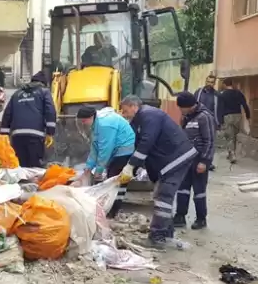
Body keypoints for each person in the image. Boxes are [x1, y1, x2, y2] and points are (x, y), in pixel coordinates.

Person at [118, 95, 197, 249]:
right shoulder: (141, 119)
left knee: (163, 196)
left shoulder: (149, 115)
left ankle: (158, 237)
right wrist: (138, 167)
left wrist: (131, 165)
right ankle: (166, 234)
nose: (124, 114)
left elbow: (147, 142)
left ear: (134, 106)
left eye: (125, 110)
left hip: (176, 158)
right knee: (161, 195)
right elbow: (141, 146)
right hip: (172, 159)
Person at [76, 106, 136, 218]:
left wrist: (99, 170)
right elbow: (95, 148)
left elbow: (105, 149)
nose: (83, 123)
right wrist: (88, 166)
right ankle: (108, 207)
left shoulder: (105, 124)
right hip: (115, 150)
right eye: (81, 121)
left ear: (91, 117)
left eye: (84, 120)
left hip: (124, 149)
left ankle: (113, 210)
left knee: (115, 180)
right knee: (112, 178)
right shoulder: (95, 124)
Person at [173, 92, 216, 230]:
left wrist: (204, 161)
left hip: (199, 160)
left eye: (181, 107)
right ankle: (180, 216)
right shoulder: (186, 117)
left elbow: (209, 141)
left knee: (199, 191)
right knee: (182, 189)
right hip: (186, 159)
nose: (180, 110)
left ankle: (201, 219)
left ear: (188, 106)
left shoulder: (205, 117)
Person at [0, 71, 56, 168]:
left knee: (21, 166)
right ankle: (33, 182)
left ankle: (23, 182)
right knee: (34, 167)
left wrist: (4, 136)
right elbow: (50, 111)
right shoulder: (44, 92)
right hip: (35, 136)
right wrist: (50, 133)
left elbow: (7, 114)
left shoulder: (17, 94)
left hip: (17, 136)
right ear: (44, 84)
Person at [216, 77, 250, 163]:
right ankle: (231, 153)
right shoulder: (238, 93)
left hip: (227, 116)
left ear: (224, 84)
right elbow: (245, 105)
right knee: (234, 135)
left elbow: (220, 108)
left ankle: (232, 153)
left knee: (229, 136)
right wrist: (248, 115)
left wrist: (219, 121)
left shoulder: (222, 95)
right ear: (232, 84)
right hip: (237, 116)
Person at [195, 74, 220, 171]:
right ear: (205, 81)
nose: (210, 84)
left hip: (211, 121)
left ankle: (208, 162)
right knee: (198, 140)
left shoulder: (216, 95)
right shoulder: (199, 92)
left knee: (210, 142)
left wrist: (218, 122)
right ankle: (196, 159)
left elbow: (218, 109)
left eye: (212, 82)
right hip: (198, 119)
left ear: (214, 83)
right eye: (208, 81)